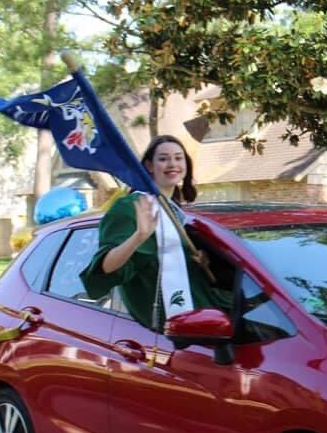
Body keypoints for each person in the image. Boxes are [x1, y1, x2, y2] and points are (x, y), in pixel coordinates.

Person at [80, 135, 227, 329]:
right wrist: (139, 236)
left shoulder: (178, 211)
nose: (172, 164)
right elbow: (104, 269)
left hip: (204, 314)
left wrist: (200, 261)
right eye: (163, 159)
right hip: (161, 329)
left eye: (178, 157)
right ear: (149, 165)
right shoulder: (130, 207)